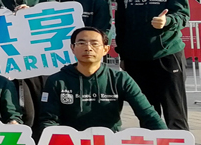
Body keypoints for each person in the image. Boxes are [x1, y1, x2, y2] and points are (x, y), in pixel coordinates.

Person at [115, 0, 190, 130]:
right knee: (147, 112)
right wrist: (123, 55)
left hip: (167, 55)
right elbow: (121, 24)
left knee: (175, 112)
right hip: (136, 59)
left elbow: (182, 15)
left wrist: (167, 21)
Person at [35, 27, 166, 135]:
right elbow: (49, 121)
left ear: (105, 49)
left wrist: (166, 139)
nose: (88, 48)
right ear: (72, 48)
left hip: (109, 144)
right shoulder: (57, 80)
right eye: (81, 43)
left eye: (94, 43)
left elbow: (148, 114)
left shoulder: (120, 79)